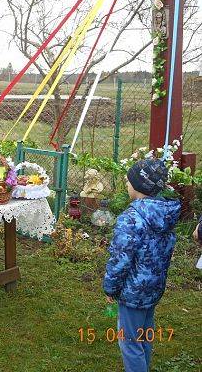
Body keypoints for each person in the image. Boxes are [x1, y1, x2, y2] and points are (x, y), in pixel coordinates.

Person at [103, 159, 181, 372]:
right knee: (144, 335)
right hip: (154, 289)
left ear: (139, 185)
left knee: (129, 342)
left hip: (132, 293)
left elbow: (120, 259)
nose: (127, 185)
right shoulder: (165, 214)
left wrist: (110, 287)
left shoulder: (131, 219)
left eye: (128, 181)